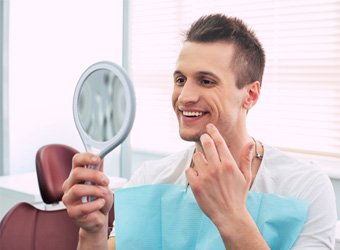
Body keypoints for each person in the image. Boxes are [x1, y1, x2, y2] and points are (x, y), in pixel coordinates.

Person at [62, 14, 337, 250]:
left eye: (206, 81)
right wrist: (92, 233)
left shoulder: (306, 188)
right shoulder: (149, 180)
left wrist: (232, 217)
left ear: (250, 95)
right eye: (180, 80)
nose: (184, 97)